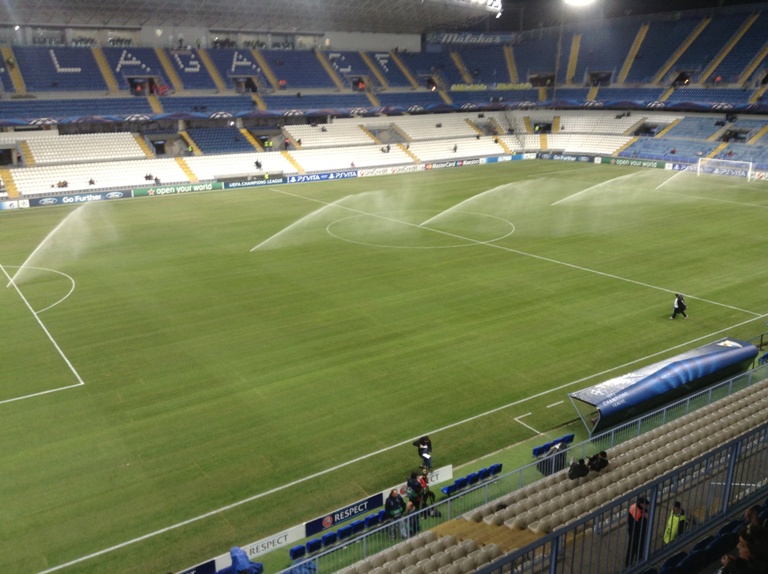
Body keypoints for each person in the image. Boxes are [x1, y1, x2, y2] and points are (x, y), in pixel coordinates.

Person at [626, 496, 650, 567]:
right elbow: (642, 526)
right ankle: (638, 564)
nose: (647, 506)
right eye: (646, 504)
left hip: (632, 532)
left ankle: (628, 564)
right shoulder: (640, 514)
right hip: (638, 534)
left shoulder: (633, 507)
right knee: (639, 549)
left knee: (631, 549)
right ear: (641, 504)